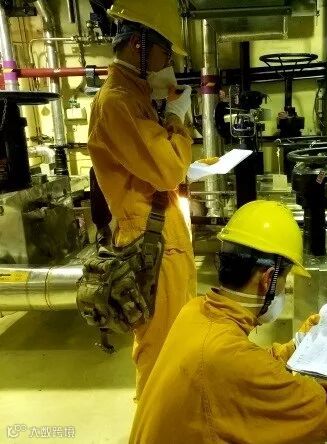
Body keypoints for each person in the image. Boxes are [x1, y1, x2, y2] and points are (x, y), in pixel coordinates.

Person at [130, 200, 327, 443]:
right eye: (285, 280)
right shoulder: (227, 359)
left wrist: (294, 346)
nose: (284, 288)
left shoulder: (194, 312)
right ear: (268, 280)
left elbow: (242, 369)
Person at [87, 0, 196, 400]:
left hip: (161, 235)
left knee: (176, 341)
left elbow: (157, 166)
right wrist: (177, 120)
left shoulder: (135, 97)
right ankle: (152, 423)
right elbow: (168, 171)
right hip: (150, 242)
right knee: (160, 350)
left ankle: (169, 418)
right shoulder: (117, 102)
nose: (169, 64)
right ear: (139, 44)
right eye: (166, 53)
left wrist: (168, 117)